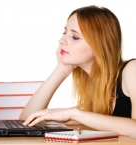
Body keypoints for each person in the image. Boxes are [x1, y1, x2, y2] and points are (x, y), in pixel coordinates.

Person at [19, 5, 136, 139]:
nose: (61, 40)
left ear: (100, 45)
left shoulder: (132, 70)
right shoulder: (95, 87)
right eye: (64, 32)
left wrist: (73, 113)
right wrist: (62, 69)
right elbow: (27, 119)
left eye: (75, 37)